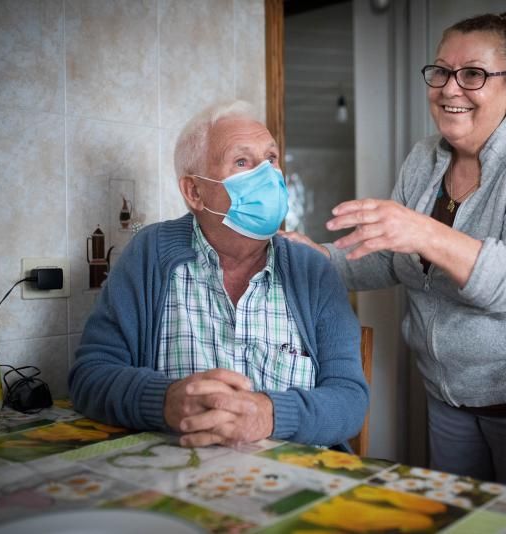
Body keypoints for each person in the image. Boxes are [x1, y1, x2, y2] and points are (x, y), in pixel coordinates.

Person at [282, 12, 506, 496]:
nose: (451, 88)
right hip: (447, 392)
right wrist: (317, 258)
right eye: (442, 72)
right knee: (455, 519)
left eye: (473, 74)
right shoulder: (424, 158)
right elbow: (392, 257)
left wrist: (424, 231)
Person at [69, 100, 369, 450]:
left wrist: (270, 414)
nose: (268, 176)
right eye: (242, 162)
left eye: (270, 160)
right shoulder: (149, 254)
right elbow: (89, 377)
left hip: (295, 483)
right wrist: (163, 401)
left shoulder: (313, 270)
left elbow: (349, 401)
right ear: (194, 191)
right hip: (176, 482)